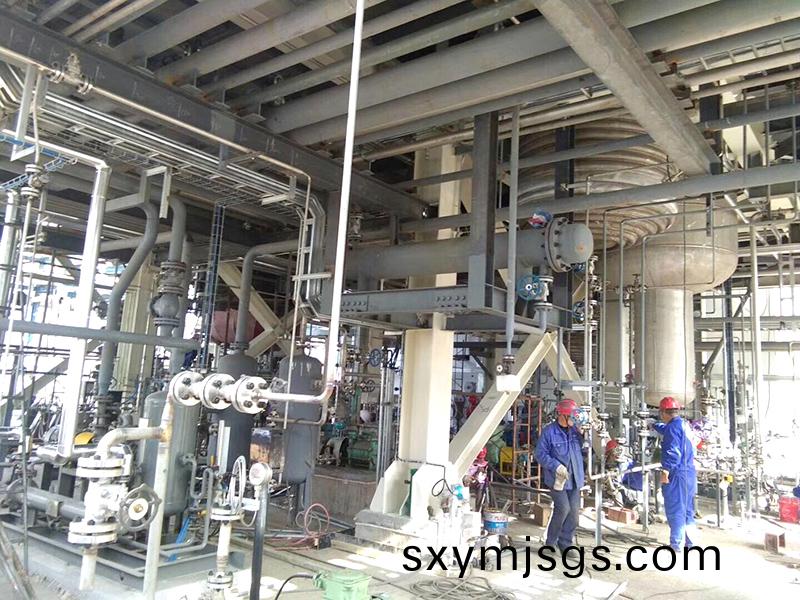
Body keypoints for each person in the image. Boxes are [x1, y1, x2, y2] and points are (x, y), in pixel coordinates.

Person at [535, 398, 585, 552]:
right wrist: (556, 466)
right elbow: (540, 454)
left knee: (574, 513)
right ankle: (550, 543)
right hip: (558, 479)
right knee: (563, 509)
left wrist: (584, 434)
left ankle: (565, 544)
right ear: (562, 415)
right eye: (571, 416)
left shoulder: (575, 431)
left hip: (575, 478)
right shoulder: (549, 432)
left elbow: (585, 448)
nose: (574, 419)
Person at [653, 396, 697, 551]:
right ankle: (690, 542)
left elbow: (673, 452)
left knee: (676, 509)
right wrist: (654, 425)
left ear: (663, 412)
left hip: (677, 473)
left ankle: (676, 544)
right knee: (688, 510)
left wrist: (666, 470)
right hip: (689, 473)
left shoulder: (672, 428)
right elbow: (669, 430)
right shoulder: (683, 424)